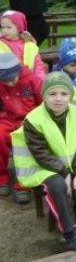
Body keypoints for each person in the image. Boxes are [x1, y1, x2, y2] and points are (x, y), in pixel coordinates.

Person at [11, 72, 76, 251]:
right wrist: (64, 173)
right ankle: (69, 232)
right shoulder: (33, 119)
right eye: (52, 94)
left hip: (73, 165)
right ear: (44, 96)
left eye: (64, 94)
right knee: (57, 186)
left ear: (70, 96)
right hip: (40, 167)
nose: (58, 99)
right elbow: (40, 153)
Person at [0, 53, 41, 204]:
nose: (10, 83)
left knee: (25, 140)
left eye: (12, 79)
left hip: (29, 120)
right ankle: (2, 178)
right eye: (5, 81)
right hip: (8, 119)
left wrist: (34, 121)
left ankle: (23, 185)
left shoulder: (32, 80)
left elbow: (42, 102)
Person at [0, 10, 47, 82]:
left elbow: (38, 64)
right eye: (2, 27)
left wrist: (40, 78)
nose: (5, 30)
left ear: (19, 28)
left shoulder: (29, 45)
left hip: (29, 81)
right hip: (8, 82)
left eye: (9, 27)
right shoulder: (1, 44)